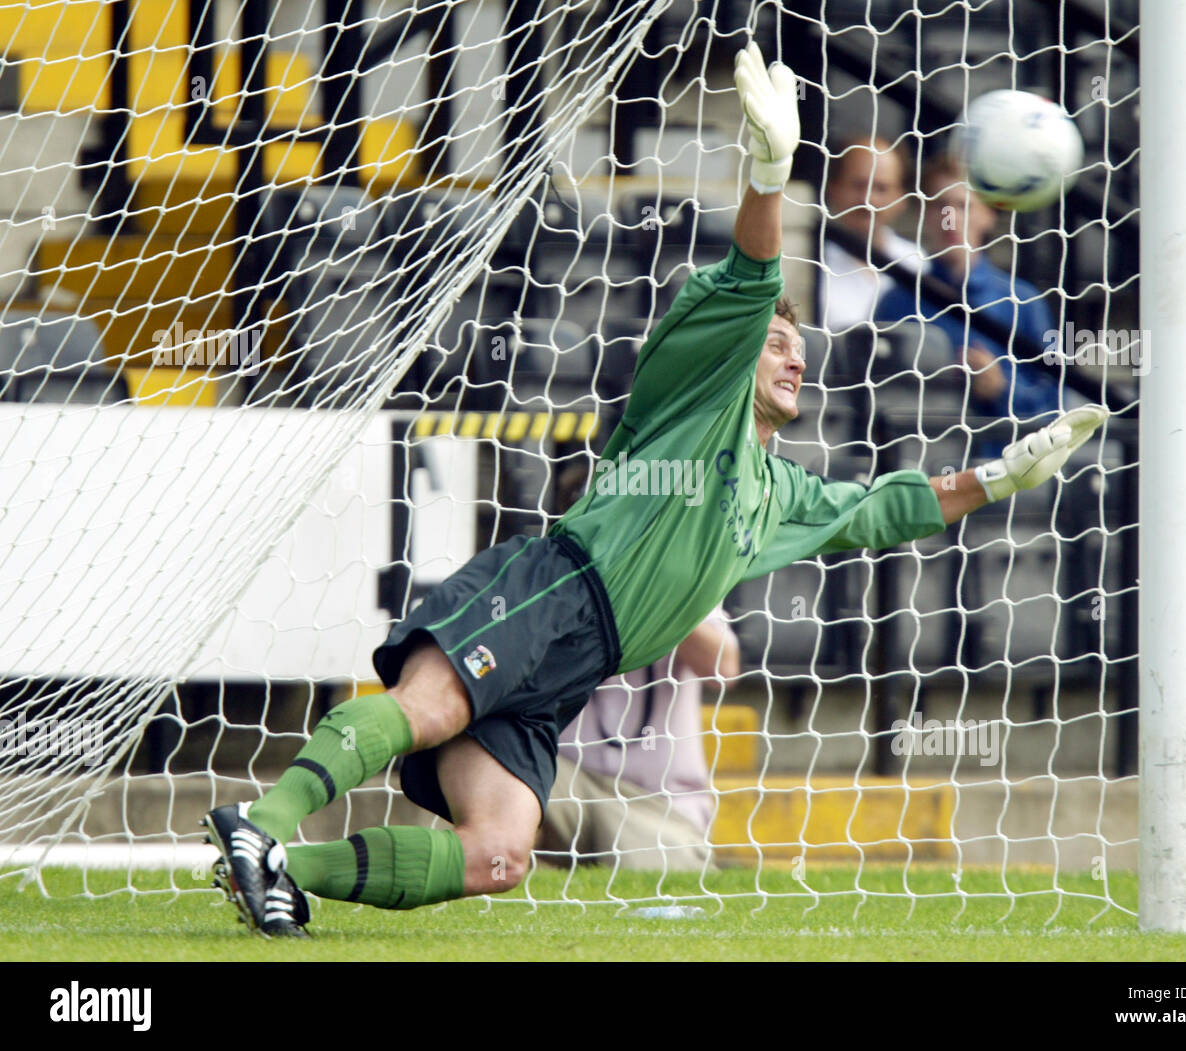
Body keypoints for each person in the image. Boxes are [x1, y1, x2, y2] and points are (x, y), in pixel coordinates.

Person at [201, 42, 1109, 936]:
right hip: (552, 590)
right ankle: (265, 821)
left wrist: (996, 478)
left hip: (574, 666)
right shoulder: (695, 396)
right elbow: (755, 277)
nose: (795, 354)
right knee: (429, 706)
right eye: (777, 344)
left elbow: (885, 508)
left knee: (499, 858)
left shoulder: (779, 491)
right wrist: (767, 171)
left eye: (801, 347)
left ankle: (283, 869)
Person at [538, 605, 738, 872]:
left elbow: (723, 668)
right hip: (565, 785)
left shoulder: (680, 575)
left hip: (657, 805)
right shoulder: (559, 572)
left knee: (659, 875)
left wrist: (657, 597)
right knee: (505, 782)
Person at [874, 154, 1059, 423]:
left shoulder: (1025, 302)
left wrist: (1002, 389)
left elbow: (1056, 402)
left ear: (989, 214)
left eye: (963, 206)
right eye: (940, 205)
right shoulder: (897, 301)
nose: (950, 218)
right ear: (923, 214)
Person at [819, 135, 919, 332]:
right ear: (833, 188)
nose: (868, 200)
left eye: (881, 188)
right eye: (858, 185)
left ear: (902, 198)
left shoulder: (918, 262)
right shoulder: (812, 263)